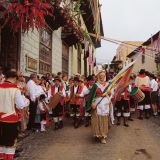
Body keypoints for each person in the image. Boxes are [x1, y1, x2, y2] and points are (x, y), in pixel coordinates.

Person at [0, 69, 28, 160]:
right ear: (14, 78)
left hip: (0, 118)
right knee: (10, 141)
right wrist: (26, 101)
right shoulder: (15, 89)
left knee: (2, 140)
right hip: (10, 118)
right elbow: (20, 105)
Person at [86, 70, 112, 144]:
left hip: (105, 105)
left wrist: (109, 94)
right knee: (96, 120)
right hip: (97, 105)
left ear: (105, 76)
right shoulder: (95, 85)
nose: (102, 77)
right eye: (100, 76)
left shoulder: (108, 85)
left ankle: (103, 136)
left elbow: (111, 95)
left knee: (104, 120)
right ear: (98, 76)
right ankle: (97, 134)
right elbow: (92, 96)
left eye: (103, 76)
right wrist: (93, 102)